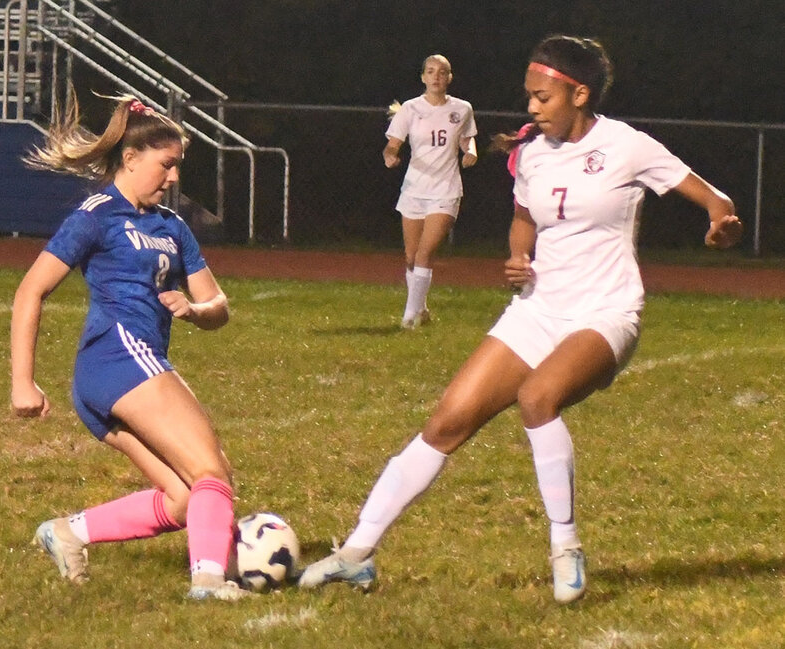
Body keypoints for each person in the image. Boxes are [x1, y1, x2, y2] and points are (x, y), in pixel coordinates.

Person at [300, 35, 742, 603]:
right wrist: (517, 255)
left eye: (542, 98)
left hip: (605, 312)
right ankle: (356, 553)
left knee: (538, 399)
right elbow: (524, 219)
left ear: (578, 93)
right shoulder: (532, 152)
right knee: (446, 422)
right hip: (537, 310)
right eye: (529, 97)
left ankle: (566, 548)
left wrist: (720, 223)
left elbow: (714, 198)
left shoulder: (627, 145)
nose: (531, 108)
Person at [11, 94, 248, 601]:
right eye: (167, 164)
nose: (174, 177)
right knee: (213, 472)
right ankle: (209, 581)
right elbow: (31, 289)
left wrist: (195, 310)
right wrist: (21, 381)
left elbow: (218, 306)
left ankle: (68, 532)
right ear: (131, 158)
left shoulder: (173, 228)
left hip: (123, 372)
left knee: (187, 498)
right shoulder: (96, 216)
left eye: (179, 165)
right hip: (116, 358)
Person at [384, 54, 478, 329]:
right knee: (411, 257)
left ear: (449, 77)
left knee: (425, 254)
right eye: (430, 71)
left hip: (445, 190)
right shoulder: (410, 109)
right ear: (423, 76)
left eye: (442, 72)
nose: (436, 76)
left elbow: (467, 140)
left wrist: (470, 152)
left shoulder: (462, 108)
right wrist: (390, 156)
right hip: (414, 189)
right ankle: (421, 309)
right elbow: (392, 145)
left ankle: (408, 317)